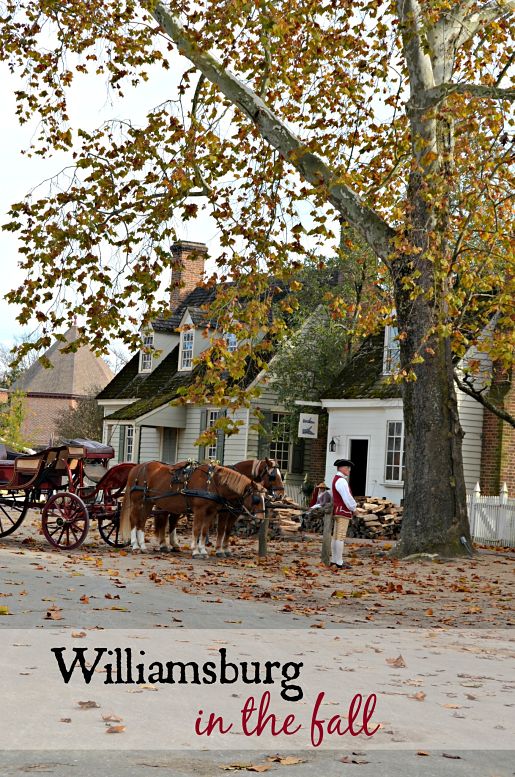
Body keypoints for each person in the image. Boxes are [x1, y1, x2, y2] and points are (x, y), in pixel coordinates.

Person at [331, 459, 356, 570]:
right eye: (347, 468)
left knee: (336, 536)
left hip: (337, 510)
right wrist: (353, 508)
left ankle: (334, 560)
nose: (348, 470)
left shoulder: (337, 479)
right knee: (340, 536)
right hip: (343, 511)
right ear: (341, 468)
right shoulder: (341, 481)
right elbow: (347, 497)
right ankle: (339, 562)